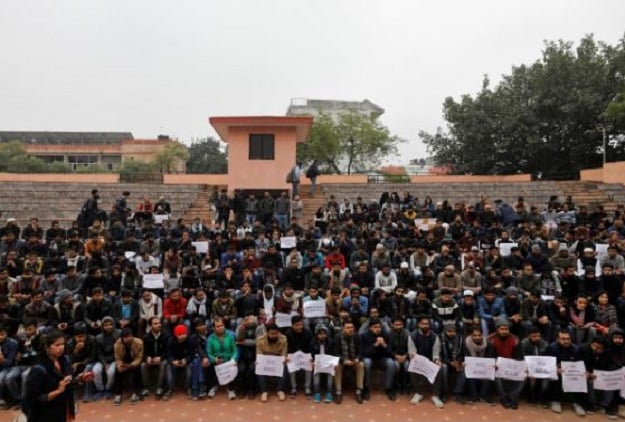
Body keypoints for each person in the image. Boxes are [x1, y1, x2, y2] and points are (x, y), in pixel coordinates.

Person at [23, 330, 75, 422]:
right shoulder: (38, 369)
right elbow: (33, 398)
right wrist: (58, 391)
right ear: (47, 348)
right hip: (45, 414)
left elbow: (68, 380)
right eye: (57, 345)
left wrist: (79, 379)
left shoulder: (64, 360)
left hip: (64, 407)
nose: (61, 348)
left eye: (62, 344)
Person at [206, 316, 238, 400]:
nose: (220, 328)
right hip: (217, 360)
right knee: (208, 365)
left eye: (222, 325)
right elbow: (209, 353)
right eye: (218, 326)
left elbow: (235, 350)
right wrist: (215, 359)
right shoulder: (210, 338)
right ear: (214, 328)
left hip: (228, 359)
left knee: (233, 366)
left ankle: (231, 389)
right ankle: (213, 387)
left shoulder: (230, 336)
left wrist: (233, 359)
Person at [256, 323, 287, 402]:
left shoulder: (283, 339)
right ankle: (264, 391)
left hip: (277, 360)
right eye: (272, 334)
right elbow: (259, 354)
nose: (274, 335)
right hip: (265, 360)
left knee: (285, 365)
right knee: (258, 365)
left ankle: (280, 390)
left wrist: (283, 359)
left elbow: (284, 353)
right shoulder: (260, 340)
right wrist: (259, 361)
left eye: (276, 333)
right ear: (267, 333)